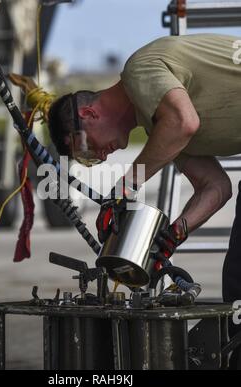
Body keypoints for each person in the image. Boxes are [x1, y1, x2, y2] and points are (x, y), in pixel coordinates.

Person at [48, 33, 241, 367]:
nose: (100, 156)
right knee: (238, 285)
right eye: (89, 159)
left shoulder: (139, 69)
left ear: (90, 113)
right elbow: (216, 187)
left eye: (87, 149)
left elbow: (184, 122)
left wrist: (124, 189)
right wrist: (173, 235)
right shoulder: (161, 128)